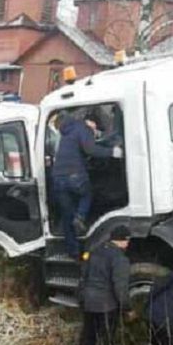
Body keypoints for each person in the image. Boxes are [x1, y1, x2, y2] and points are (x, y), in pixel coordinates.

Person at [50, 110, 122, 259]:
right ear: (92, 122)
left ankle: (74, 252)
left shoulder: (65, 132)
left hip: (58, 177)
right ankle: (81, 217)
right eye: (96, 128)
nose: (95, 131)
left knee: (66, 215)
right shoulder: (84, 128)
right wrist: (112, 152)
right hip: (74, 175)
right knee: (87, 193)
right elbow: (91, 149)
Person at [78, 225, 132, 345]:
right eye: (127, 240)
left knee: (88, 335)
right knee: (106, 340)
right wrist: (127, 308)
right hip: (106, 305)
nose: (128, 244)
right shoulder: (120, 259)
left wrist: (81, 298)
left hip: (88, 302)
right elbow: (120, 287)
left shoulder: (95, 251)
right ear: (122, 240)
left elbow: (83, 276)